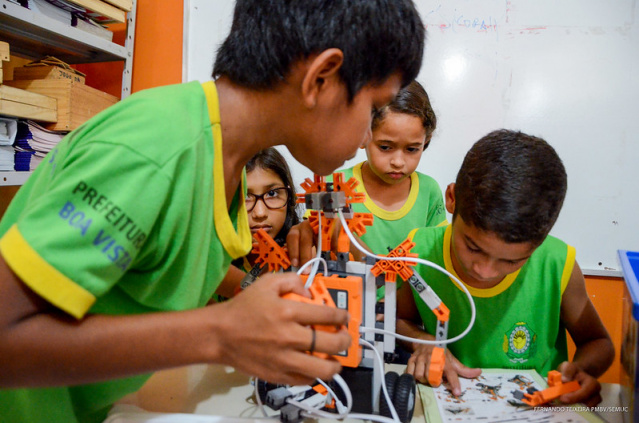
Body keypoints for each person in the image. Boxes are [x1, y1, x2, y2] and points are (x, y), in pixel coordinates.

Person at [0, 0, 426, 422]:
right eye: (373, 109)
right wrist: (220, 334)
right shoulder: (156, 147)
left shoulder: (226, 163)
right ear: (321, 79)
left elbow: (165, 260)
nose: (368, 135)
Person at [395, 129, 614, 406]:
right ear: (452, 198)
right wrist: (423, 342)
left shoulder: (556, 264)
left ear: (541, 239)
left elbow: (598, 342)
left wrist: (581, 372)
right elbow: (398, 320)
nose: (484, 270)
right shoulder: (421, 253)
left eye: (512, 261)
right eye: (473, 247)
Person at [335, 80, 446, 258]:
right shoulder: (336, 185)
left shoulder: (429, 191)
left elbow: (435, 252)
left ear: (426, 141)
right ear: (363, 135)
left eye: (412, 149)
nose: (398, 162)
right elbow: (315, 243)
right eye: (385, 147)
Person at [215, 148, 300, 299]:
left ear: (290, 197)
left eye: (272, 193)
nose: (260, 213)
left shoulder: (308, 256)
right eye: (245, 196)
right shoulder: (209, 264)